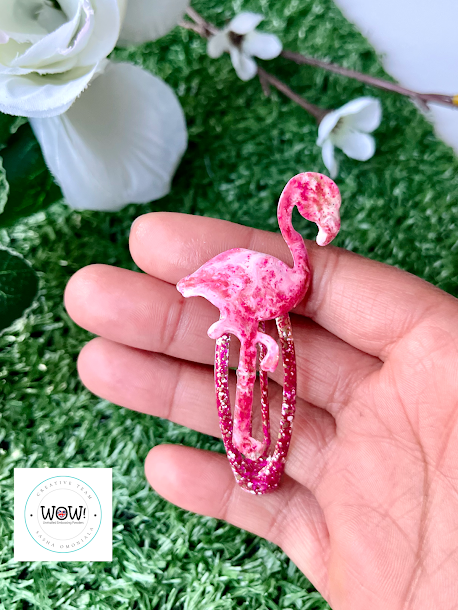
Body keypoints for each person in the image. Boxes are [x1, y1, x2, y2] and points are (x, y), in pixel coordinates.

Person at [64, 212, 458, 610]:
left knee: (258, 354)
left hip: (255, 320)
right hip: (234, 299)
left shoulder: (283, 284)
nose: (324, 226)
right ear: (298, 212)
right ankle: (245, 440)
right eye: (319, 217)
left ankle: (250, 440)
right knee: (249, 355)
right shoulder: (265, 277)